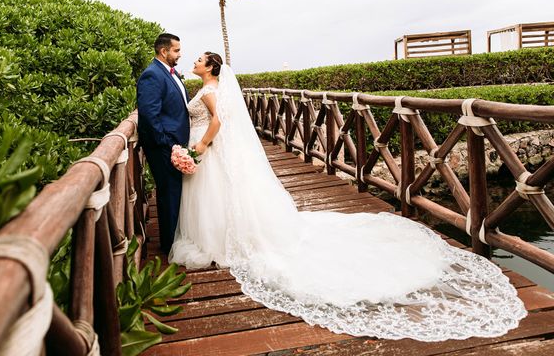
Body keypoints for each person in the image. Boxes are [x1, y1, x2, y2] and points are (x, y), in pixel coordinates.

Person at [168, 51, 527, 341]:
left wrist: (199, 145)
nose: (194, 61)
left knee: (222, 196)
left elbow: (217, 122)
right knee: (224, 196)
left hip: (209, 148)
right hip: (214, 154)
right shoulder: (208, 87)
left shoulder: (212, 90)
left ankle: (223, 238)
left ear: (212, 66)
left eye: (199, 59)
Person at [136, 33, 189, 253]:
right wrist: (166, 144)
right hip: (164, 147)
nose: (180, 54)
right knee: (168, 194)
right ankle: (169, 246)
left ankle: (176, 238)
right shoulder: (152, 75)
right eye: (176, 50)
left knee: (175, 192)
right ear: (163, 51)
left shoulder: (171, 72)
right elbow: (149, 114)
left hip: (175, 144)